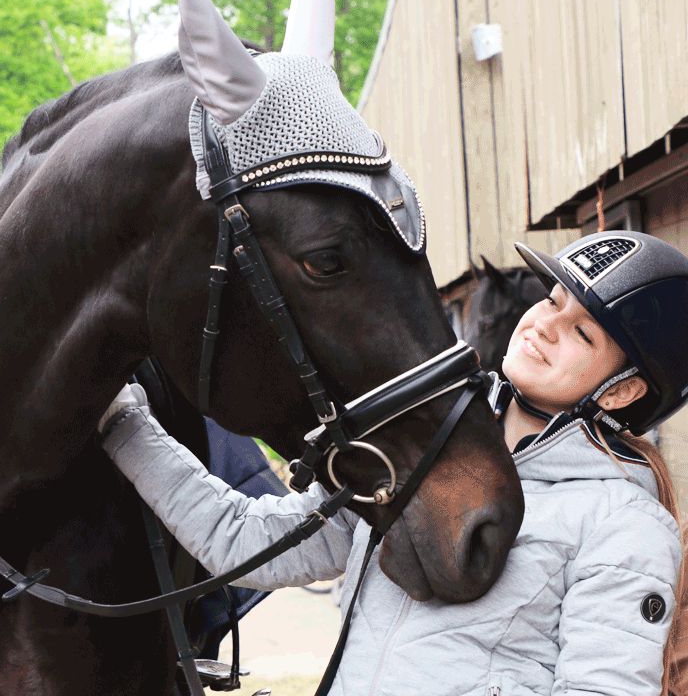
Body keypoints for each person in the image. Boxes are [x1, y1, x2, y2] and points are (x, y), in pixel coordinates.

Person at [100, 230, 688, 696]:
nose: (544, 327)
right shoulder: (418, 446)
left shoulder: (625, 526)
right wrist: (121, 421)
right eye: (552, 301)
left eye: (582, 333)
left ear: (621, 393)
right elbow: (245, 542)